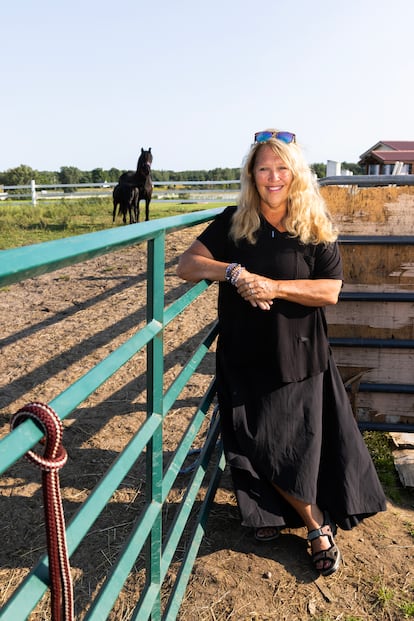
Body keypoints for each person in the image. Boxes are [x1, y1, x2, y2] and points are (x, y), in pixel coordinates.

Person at [176, 129, 387, 576]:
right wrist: (233, 272)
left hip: (299, 353)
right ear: (252, 175)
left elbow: (330, 291)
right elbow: (185, 265)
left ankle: (314, 526)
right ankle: (278, 516)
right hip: (245, 352)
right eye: (264, 168)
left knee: (293, 443)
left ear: (296, 172)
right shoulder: (234, 221)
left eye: (281, 167)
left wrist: (274, 286)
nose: (273, 177)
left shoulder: (314, 225)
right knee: (254, 437)